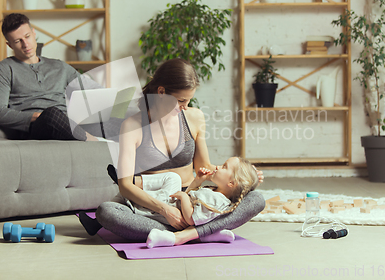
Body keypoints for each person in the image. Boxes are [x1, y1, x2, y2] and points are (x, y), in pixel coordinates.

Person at [79, 58, 266, 241]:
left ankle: (186, 233)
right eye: (181, 101)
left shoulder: (194, 118)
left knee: (256, 198)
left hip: (193, 199)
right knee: (106, 212)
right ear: (161, 92)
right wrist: (165, 210)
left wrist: (244, 177)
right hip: (153, 205)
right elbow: (126, 185)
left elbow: (204, 168)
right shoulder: (132, 126)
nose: (185, 107)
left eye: (189, 101)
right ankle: (202, 230)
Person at [0, 13, 99, 141]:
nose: (25, 45)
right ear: (10, 45)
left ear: (34, 33)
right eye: (18, 41)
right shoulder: (4, 69)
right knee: (51, 114)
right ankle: (92, 140)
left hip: (65, 123)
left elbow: (92, 90)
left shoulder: (59, 66)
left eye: (27, 36)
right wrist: (35, 116)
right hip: (34, 128)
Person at [141, 156, 260, 248]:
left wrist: (184, 197)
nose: (217, 167)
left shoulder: (216, 200)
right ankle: (206, 235)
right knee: (172, 178)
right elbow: (191, 197)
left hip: (171, 214)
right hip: (173, 206)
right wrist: (197, 181)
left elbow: (191, 218)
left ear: (232, 183)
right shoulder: (214, 192)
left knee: (146, 201)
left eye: (224, 166)